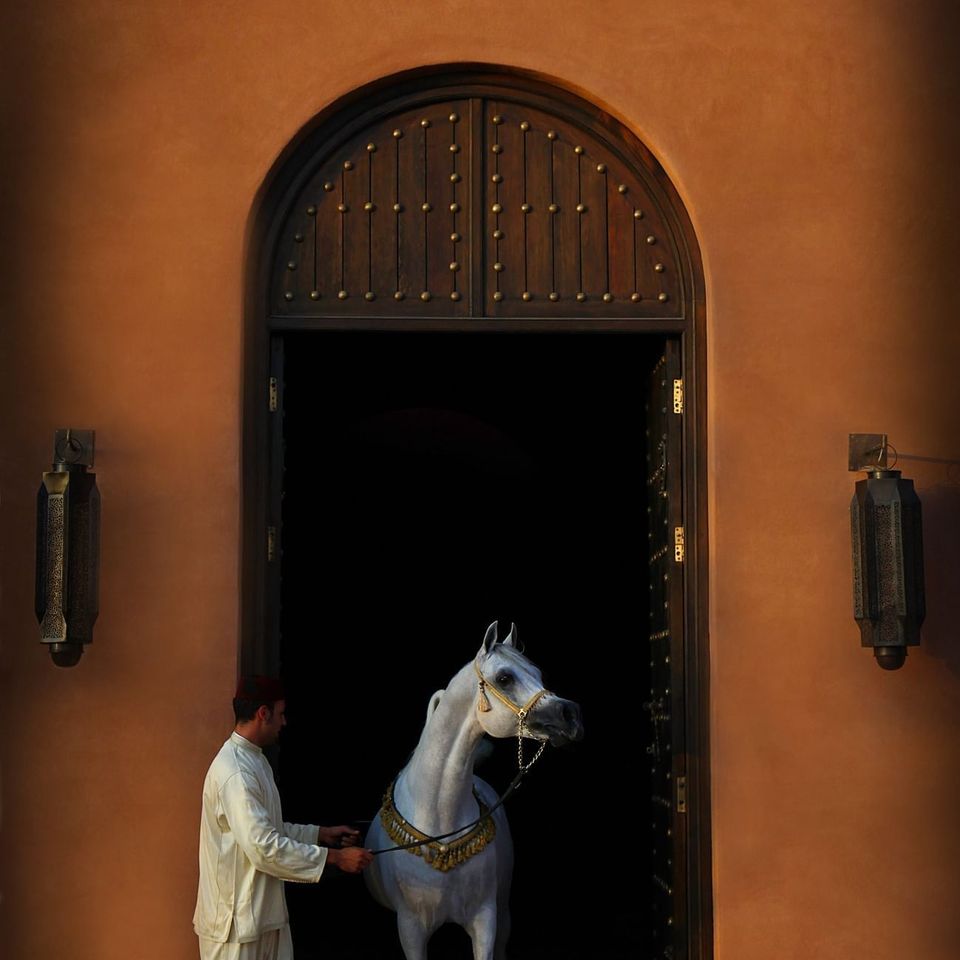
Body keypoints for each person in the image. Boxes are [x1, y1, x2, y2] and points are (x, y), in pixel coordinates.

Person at [194, 675, 373, 960]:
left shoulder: (256, 761)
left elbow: (270, 830)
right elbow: (264, 847)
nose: (284, 722)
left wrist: (320, 834)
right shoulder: (235, 772)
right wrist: (336, 858)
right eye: (281, 714)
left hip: (264, 920)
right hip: (235, 929)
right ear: (262, 714)